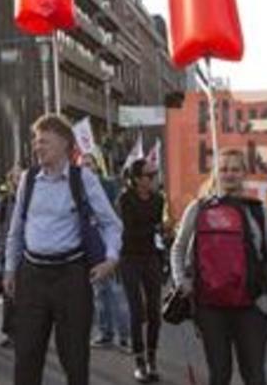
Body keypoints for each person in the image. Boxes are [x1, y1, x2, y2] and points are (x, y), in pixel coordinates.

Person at [4, 114, 123, 385]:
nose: (37, 146)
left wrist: (111, 260)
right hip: (32, 277)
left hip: (71, 277)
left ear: (64, 144)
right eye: (35, 141)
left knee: (75, 359)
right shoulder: (28, 179)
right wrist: (10, 269)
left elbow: (111, 224)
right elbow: (16, 229)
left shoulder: (84, 179)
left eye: (44, 141)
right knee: (26, 357)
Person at [170, 148, 267, 385]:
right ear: (215, 173)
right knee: (219, 375)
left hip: (252, 305)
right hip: (210, 306)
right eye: (223, 169)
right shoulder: (198, 208)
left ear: (244, 173)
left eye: (235, 169)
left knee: (254, 375)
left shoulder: (261, 212)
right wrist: (183, 283)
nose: (229, 174)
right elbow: (178, 249)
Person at [119, 158, 167, 383]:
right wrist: (154, 229)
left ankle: (152, 358)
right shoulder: (125, 199)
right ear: (137, 179)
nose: (153, 178)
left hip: (151, 258)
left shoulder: (159, 200)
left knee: (155, 313)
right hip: (129, 259)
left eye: (155, 174)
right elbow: (128, 231)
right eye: (149, 175)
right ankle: (139, 361)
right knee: (137, 311)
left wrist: (164, 234)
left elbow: (157, 230)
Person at [80, 154, 131, 353]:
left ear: (96, 166)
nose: (86, 167)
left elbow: (114, 215)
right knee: (100, 292)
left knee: (116, 291)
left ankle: (124, 337)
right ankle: (105, 333)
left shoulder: (107, 185)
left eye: (89, 164)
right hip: (92, 245)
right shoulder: (77, 187)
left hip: (109, 245)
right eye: (83, 165)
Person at [0, 165, 21, 348]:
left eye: (21, 177)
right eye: (16, 177)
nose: (19, 180)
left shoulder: (32, 200)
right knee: (10, 296)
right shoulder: (2, 204)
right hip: (8, 255)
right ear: (10, 182)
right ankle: (11, 333)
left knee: (30, 296)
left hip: (30, 255)